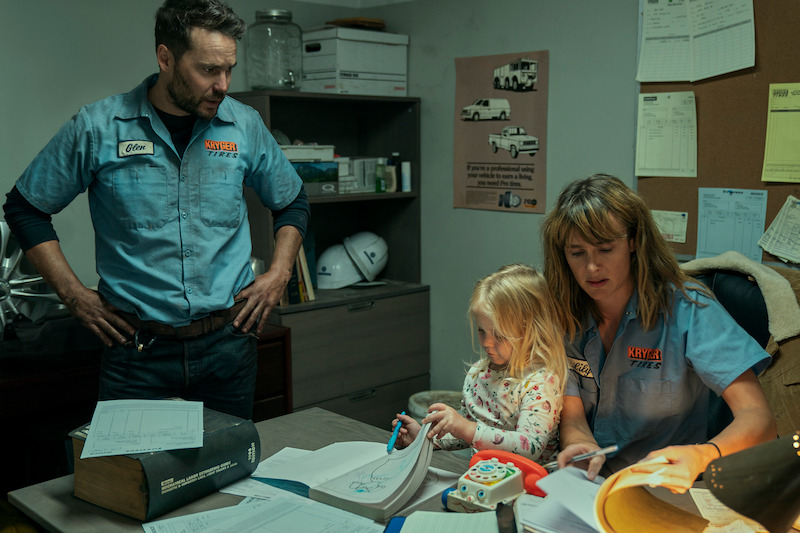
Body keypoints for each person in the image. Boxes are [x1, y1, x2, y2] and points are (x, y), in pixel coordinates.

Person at [2, 0, 309, 419]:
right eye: (207, 70)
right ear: (166, 58)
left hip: (229, 346)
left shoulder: (245, 125)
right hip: (136, 353)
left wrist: (280, 273)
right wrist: (74, 297)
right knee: (132, 482)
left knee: (228, 475)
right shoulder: (98, 128)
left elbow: (292, 201)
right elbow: (24, 208)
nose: (222, 85)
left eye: (229, 69)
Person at [542, 173, 776, 492]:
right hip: (591, 484)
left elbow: (760, 419)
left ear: (634, 241)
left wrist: (703, 455)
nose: (591, 268)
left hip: (667, 484)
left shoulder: (690, 310)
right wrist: (581, 443)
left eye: (606, 249)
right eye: (577, 253)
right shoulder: (562, 312)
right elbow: (572, 414)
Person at [390, 264, 568, 464]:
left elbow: (530, 446)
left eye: (499, 335)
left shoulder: (540, 382)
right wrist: (424, 438)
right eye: (482, 331)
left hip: (530, 487)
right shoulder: (479, 374)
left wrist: (467, 428)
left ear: (532, 331)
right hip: (484, 481)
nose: (486, 343)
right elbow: (466, 435)